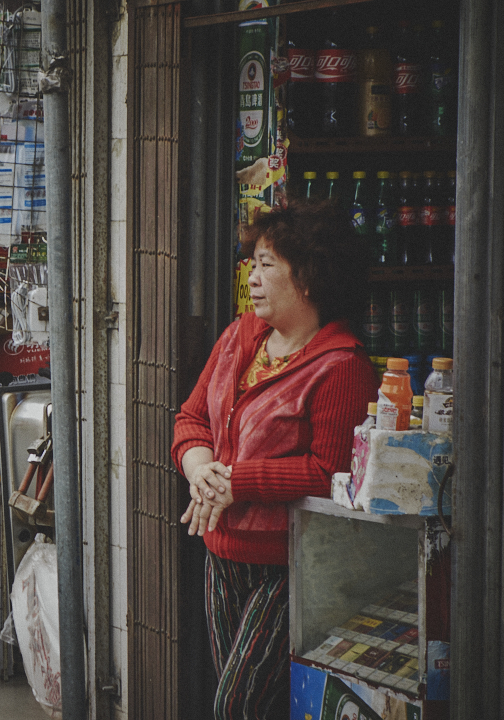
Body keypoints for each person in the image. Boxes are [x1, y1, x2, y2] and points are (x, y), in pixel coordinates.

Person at [171, 199, 377, 720]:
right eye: (253, 263)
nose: (252, 277)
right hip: (221, 555)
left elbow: (329, 470)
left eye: (266, 265)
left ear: (306, 278)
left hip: (288, 566)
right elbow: (191, 418)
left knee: (236, 706)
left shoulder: (342, 365)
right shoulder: (242, 336)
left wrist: (237, 481)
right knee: (252, 706)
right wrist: (201, 471)